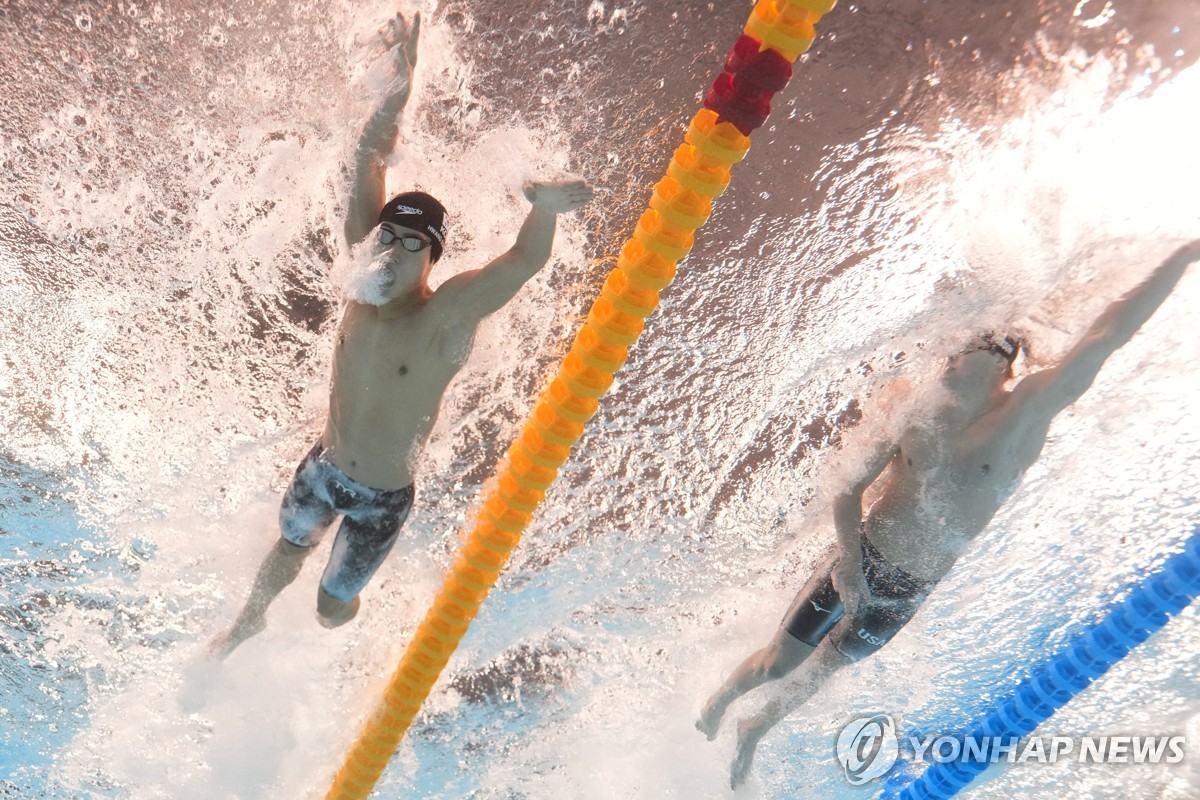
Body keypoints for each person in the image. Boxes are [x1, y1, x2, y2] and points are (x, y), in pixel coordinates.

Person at [696, 240, 1200, 788]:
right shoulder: (913, 409)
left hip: (906, 591)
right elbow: (848, 488)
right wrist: (846, 561)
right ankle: (726, 696)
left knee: (812, 681)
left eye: (960, 359)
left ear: (1000, 367)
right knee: (779, 665)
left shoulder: (1026, 414)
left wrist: (1184, 256)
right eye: (949, 358)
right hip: (856, 557)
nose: (947, 367)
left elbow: (1108, 337)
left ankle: (755, 729)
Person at [211, 13, 594, 658]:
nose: (390, 250)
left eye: (411, 244)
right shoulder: (363, 276)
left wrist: (544, 211)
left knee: (331, 609)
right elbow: (369, 155)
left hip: (378, 503)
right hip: (323, 466)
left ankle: (359, 611)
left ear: (432, 260)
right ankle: (248, 621)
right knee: (289, 545)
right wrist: (400, 81)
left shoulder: (444, 315)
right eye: (387, 235)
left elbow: (521, 265)